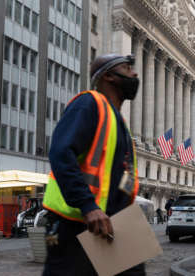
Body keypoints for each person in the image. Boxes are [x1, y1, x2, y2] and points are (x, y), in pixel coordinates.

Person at [42, 54, 146, 276]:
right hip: (79, 223)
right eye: (127, 69)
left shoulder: (118, 121)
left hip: (116, 225)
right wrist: (88, 206)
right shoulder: (89, 104)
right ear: (109, 76)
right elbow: (61, 153)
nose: (134, 74)